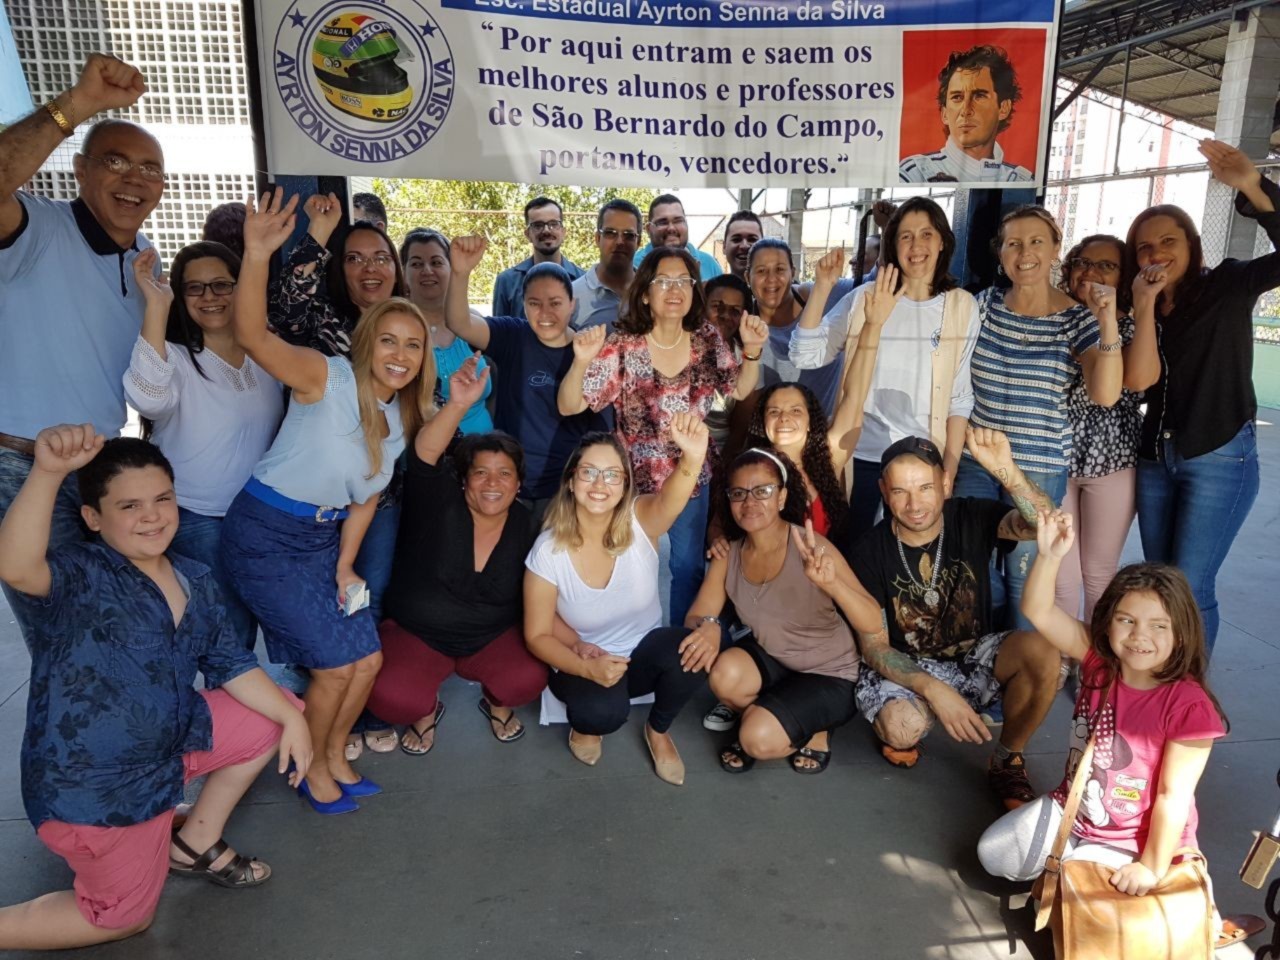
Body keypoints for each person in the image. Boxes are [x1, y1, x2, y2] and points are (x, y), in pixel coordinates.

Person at [0, 426, 310, 950]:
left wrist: (293, 718)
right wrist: (49, 472)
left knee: (275, 710)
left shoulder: (194, 576)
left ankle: (194, 843)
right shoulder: (81, 574)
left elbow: (232, 663)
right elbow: (16, 566)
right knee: (122, 919)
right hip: (96, 793)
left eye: (162, 498)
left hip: (166, 747)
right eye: (129, 506)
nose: (152, 515)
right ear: (93, 518)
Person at [221, 189, 434, 815]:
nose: (399, 355)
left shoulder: (399, 418)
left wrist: (344, 566)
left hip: (321, 540)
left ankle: (336, 754)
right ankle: (310, 767)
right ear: (368, 340)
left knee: (366, 661)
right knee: (337, 668)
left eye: (412, 345)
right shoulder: (326, 375)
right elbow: (252, 334)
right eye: (389, 341)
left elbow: (365, 500)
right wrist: (257, 253)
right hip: (265, 535)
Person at [978, 512, 1228, 932]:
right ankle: (1079, 862)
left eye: (1158, 625)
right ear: (1107, 623)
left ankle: (1166, 879)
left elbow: (1173, 797)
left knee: (1082, 904)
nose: (1139, 636)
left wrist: (1151, 866)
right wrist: (1050, 555)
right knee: (993, 853)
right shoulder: (1099, 662)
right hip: (1073, 810)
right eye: (1126, 620)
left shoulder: (1190, 707)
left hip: (1134, 839)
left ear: (1182, 633)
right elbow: (1038, 609)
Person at [0, 54, 163, 639]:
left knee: (112, 622)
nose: (134, 179)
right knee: (63, 632)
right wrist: (78, 104)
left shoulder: (146, 260)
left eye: (149, 169)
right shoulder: (36, 226)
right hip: (20, 464)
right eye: (115, 161)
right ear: (80, 170)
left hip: (98, 464)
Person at [850, 431, 1062, 809]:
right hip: (907, 665)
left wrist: (1007, 470)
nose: (914, 504)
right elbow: (874, 648)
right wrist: (934, 690)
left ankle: (1008, 759)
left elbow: (1045, 525)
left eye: (925, 487)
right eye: (900, 491)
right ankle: (912, 720)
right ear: (883, 490)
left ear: (945, 483)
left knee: (1044, 652)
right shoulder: (868, 551)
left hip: (973, 655)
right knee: (901, 728)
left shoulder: (969, 515)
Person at [559, 247, 768, 626]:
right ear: (644, 293)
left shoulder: (705, 340)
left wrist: (752, 351)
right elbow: (570, 405)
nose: (675, 289)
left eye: (684, 281)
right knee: (630, 563)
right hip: (634, 482)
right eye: (663, 281)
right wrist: (581, 360)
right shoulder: (625, 344)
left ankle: (678, 639)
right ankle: (628, 635)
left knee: (687, 567)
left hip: (690, 476)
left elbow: (739, 388)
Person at [1125, 140, 1278, 654]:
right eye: (1144, 247)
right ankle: (1158, 678)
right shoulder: (1138, 306)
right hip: (1155, 459)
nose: (1156, 254)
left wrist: (1253, 186)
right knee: (1159, 583)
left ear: (1192, 245)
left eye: (1168, 241)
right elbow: (1138, 383)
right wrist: (1142, 306)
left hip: (1219, 455)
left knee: (1189, 585)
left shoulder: (1228, 284)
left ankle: (1189, 690)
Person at [952, 205, 1122, 631]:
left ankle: (1022, 662)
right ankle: (982, 654)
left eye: (1036, 242)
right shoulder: (983, 305)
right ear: (1000, 253)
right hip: (977, 458)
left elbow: (1105, 394)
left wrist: (1107, 322)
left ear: (1055, 250)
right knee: (969, 564)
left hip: (1038, 467)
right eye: (1013, 243)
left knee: (1024, 579)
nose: (1024, 252)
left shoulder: (1076, 319)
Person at [367, 358, 548, 754]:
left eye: (504, 474)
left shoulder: (529, 525)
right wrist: (459, 404)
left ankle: (495, 702)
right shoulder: (437, 503)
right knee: (391, 697)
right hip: (418, 634)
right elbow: (424, 455)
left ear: (518, 484)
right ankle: (426, 709)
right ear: (464, 480)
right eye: (481, 472)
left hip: (489, 638)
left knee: (528, 678)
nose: (492, 483)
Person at [524, 418, 712, 785]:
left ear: (625, 485)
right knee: (600, 713)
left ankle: (658, 730)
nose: (600, 484)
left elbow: (670, 500)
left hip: (640, 656)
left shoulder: (640, 520)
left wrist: (692, 458)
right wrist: (586, 668)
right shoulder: (548, 549)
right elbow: (537, 635)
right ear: (570, 480)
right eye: (589, 472)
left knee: (694, 652)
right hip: (582, 656)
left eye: (612, 475)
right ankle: (585, 727)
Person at [123, 241, 285, 649]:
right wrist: (157, 305)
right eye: (194, 288)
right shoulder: (176, 359)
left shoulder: (267, 353)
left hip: (257, 515)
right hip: (199, 516)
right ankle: (230, 692)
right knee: (230, 628)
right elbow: (147, 398)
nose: (209, 296)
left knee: (258, 618)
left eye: (221, 284)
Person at [791, 198, 980, 547]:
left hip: (923, 460)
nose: (916, 245)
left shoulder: (961, 306)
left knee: (912, 559)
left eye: (926, 234)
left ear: (943, 241)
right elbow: (805, 353)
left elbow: (959, 398)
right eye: (906, 236)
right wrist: (822, 287)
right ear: (892, 244)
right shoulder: (866, 297)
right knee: (854, 553)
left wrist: (949, 468)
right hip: (861, 454)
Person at [268, 191, 408, 645]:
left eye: (381, 257)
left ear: (395, 267)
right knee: (313, 595)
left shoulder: (409, 325)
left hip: (378, 495)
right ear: (339, 269)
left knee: (372, 592)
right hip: (317, 496)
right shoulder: (321, 321)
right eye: (355, 259)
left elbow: (422, 404)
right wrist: (319, 232)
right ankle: (320, 679)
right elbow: (284, 310)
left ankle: (363, 677)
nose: (370, 268)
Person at [692, 450, 881, 774]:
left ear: (781, 497)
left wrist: (833, 585)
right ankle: (771, 714)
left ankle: (816, 728)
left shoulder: (812, 546)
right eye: (739, 493)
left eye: (762, 491)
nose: (750, 502)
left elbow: (873, 621)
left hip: (830, 673)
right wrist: (708, 625)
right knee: (723, 674)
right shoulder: (729, 552)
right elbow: (698, 615)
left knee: (754, 739)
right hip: (775, 657)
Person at [445, 235, 612, 523]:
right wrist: (460, 274)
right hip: (512, 484)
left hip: (564, 489)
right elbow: (460, 323)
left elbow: (602, 432)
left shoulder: (590, 350)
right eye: (534, 303)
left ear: (572, 304)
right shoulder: (513, 335)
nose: (545, 313)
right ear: (523, 305)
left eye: (555, 303)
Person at [1052, 235, 1143, 623]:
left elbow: (1137, 385)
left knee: (1099, 574)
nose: (1091, 272)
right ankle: (1059, 652)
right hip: (1054, 458)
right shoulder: (1053, 317)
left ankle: (1096, 653)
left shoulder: (1134, 326)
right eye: (1083, 262)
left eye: (1106, 265)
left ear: (1123, 276)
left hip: (1112, 460)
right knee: (1061, 576)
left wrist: (1105, 319)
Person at [401, 228, 493, 434]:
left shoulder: (472, 323)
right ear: (403, 272)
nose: (427, 270)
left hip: (484, 447)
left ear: (452, 268)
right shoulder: (396, 327)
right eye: (416, 264)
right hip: (425, 448)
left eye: (436, 262)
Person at [899, 44, 1033, 184]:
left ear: (1004, 108)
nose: (966, 110)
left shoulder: (1022, 180)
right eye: (957, 97)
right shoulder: (913, 174)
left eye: (979, 96)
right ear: (945, 114)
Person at [492, 196, 584, 318]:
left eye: (553, 224)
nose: (546, 230)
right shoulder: (507, 282)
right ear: (527, 234)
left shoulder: (583, 280)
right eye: (538, 225)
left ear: (563, 232)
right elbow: (498, 329)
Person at [571, 198, 641, 331]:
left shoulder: (652, 292)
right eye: (610, 233)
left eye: (628, 235)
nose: (620, 241)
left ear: (638, 241)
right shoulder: (572, 296)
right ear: (598, 238)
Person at [703, 273, 753, 451]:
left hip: (721, 450)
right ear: (703, 307)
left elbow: (739, 430)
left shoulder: (747, 358)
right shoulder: (682, 344)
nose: (725, 315)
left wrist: (723, 463)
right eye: (717, 306)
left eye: (735, 311)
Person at [632, 193, 723, 279]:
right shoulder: (634, 264)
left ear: (686, 224)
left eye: (678, 221)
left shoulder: (710, 265)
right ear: (648, 229)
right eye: (663, 222)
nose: (671, 228)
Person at [723, 210, 763, 282]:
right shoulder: (711, 288)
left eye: (752, 239)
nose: (744, 246)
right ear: (724, 247)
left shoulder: (780, 288)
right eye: (736, 239)